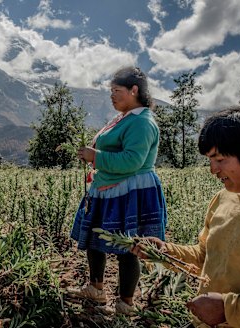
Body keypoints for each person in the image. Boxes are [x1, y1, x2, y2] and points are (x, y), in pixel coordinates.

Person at [132, 107, 240, 328]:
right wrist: (165, 251)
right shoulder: (224, 197)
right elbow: (205, 257)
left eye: (219, 159)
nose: (213, 170)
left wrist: (229, 310)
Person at [70, 66, 167, 314]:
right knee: (94, 239)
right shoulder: (124, 118)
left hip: (129, 192)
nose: (112, 96)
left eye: (117, 91)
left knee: (127, 247)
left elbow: (132, 161)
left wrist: (96, 156)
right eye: (111, 91)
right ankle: (96, 288)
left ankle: (126, 303)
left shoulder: (142, 122)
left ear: (134, 90)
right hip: (108, 188)